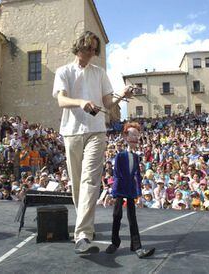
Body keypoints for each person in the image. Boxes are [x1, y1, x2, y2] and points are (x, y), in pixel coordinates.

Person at [52, 31, 133, 254]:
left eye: (93, 49)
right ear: (78, 46)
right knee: (77, 185)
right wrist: (81, 102)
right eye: (87, 47)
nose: (90, 53)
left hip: (96, 131)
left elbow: (107, 102)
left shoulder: (100, 73)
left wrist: (121, 96)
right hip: (71, 132)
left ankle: (83, 235)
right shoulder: (63, 72)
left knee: (90, 180)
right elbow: (60, 100)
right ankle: (85, 228)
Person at [106, 122, 155, 258]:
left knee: (132, 218)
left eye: (137, 135)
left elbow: (137, 176)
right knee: (117, 215)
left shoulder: (135, 157)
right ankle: (114, 242)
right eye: (132, 135)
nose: (135, 138)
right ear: (126, 136)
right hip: (121, 189)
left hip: (131, 190)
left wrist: (139, 193)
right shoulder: (120, 156)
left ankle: (137, 246)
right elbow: (116, 174)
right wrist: (114, 192)